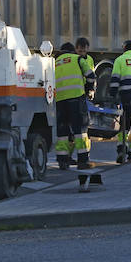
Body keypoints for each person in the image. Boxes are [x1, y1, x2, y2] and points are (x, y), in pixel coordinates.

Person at [54, 42, 96, 185]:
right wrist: (88, 88)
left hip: (59, 101)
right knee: (81, 130)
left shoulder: (55, 62)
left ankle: (62, 161)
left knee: (62, 132)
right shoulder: (77, 59)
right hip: (76, 99)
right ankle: (83, 161)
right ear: (73, 51)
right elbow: (91, 76)